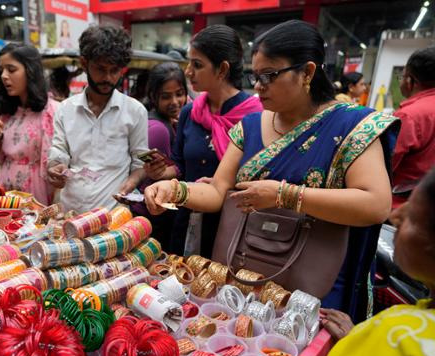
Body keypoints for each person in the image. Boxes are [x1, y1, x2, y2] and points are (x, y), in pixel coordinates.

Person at [144, 20, 399, 318]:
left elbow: (376, 204)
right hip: (246, 275)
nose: (258, 86)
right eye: (256, 76)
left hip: (315, 286)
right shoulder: (250, 126)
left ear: (307, 72)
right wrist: (176, 190)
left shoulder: (351, 127)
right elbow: (216, 191)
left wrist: (284, 195)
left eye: (269, 76)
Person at [242, 166, 435, 356]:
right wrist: (361, 346)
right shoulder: (409, 330)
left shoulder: (402, 341)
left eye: (413, 216)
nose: (396, 215)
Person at [145, 24, 263, 257]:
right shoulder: (191, 112)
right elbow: (179, 166)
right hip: (186, 219)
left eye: (197, 65)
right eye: (190, 63)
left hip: (231, 225)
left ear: (222, 70)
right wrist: (160, 175)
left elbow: (257, 176)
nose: (188, 72)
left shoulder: (254, 117)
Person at [47, 26, 148, 212]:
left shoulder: (135, 111)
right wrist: (55, 168)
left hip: (113, 215)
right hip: (71, 213)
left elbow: (140, 162)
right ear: (84, 63)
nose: (108, 78)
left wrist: (129, 185)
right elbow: (59, 152)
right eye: (100, 69)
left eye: (114, 70)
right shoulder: (65, 110)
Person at [0, 43, 57, 205]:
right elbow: (0, 157)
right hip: (6, 188)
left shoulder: (51, 112)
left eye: (11, 70)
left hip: (34, 192)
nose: (4, 76)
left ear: (30, 71)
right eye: (1, 70)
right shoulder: (7, 112)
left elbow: (54, 165)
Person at [133, 62, 188, 248]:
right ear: (154, 97)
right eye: (166, 96)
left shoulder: (168, 122)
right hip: (155, 214)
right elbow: (162, 173)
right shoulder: (158, 129)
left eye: (179, 94)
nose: (174, 101)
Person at [392, 47, 435, 208]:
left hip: (398, 208)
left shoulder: (408, 116)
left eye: (401, 77)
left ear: (410, 81)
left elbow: (384, 166)